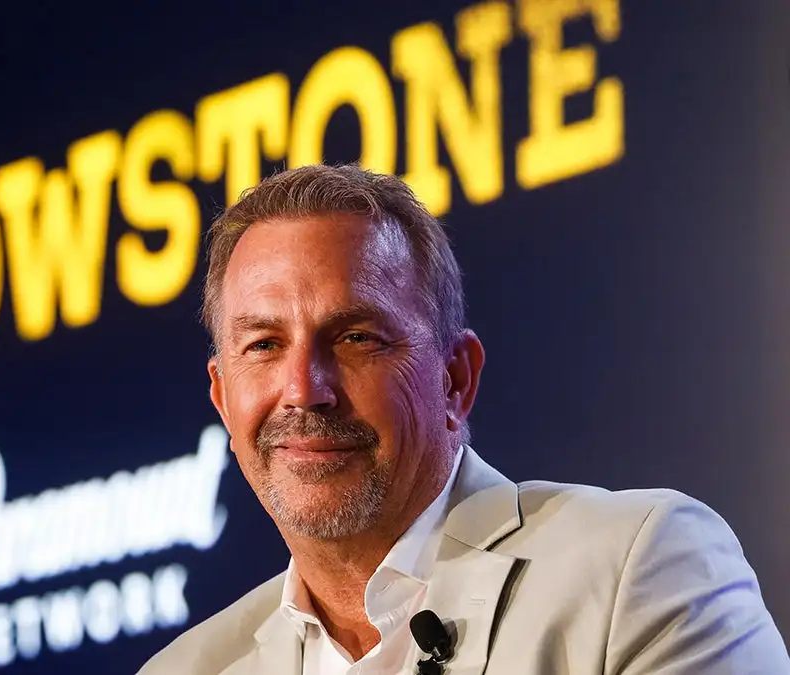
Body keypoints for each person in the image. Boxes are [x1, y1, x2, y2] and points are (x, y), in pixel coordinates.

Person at [137, 164, 790, 675]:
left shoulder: (638, 569)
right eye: (264, 345)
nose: (305, 389)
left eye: (357, 337)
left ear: (455, 378)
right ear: (223, 398)